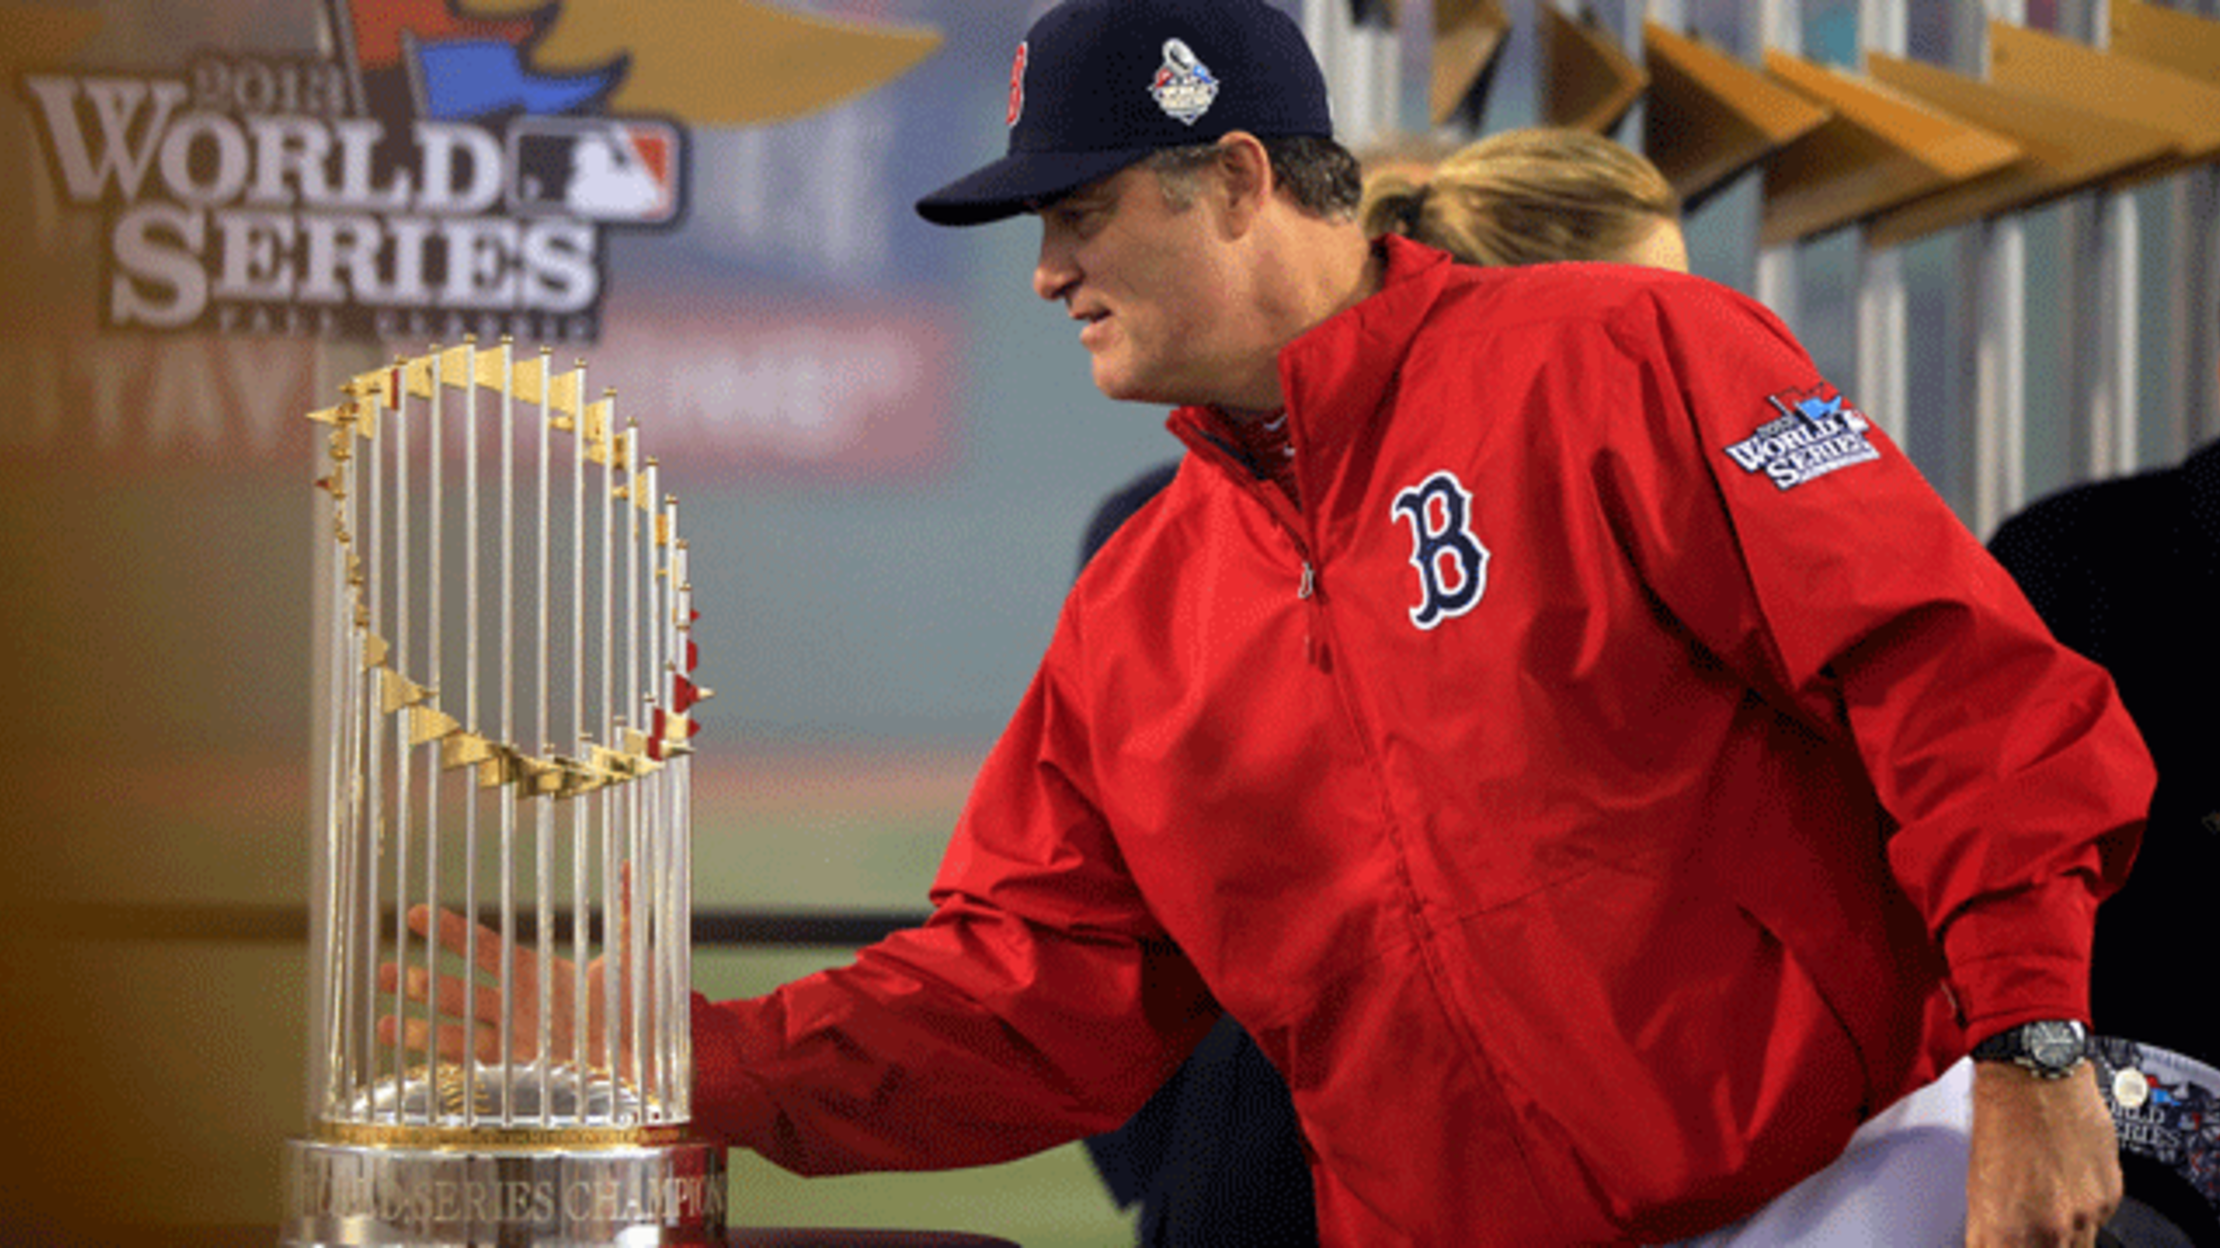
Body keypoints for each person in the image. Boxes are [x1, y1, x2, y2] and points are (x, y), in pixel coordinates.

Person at [395, 1, 2152, 1242]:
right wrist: (695, 1057)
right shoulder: (1140, 606)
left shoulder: (1618, 354)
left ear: (1236, 178)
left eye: (1079, 211)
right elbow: (1027, 1000)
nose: (1043, 271)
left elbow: (1957, 687)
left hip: (1847, 1186)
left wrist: (2034, 1043)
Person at [1078, 126, 1693, 1248]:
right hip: (1304, 1162)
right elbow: (1115, 900)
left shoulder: (1668, 509)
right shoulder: (1171, 538)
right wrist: (1171, 1161)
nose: (1701, 348)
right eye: (1656, 313)